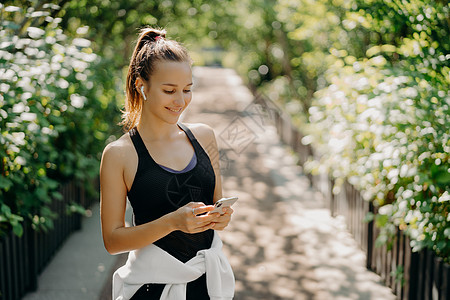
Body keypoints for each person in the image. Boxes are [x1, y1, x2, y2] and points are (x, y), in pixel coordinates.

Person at [99, 27, 235, 300]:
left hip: (208, 284)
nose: (180, 101)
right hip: (151, 289)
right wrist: (172, 223)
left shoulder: (204, 135)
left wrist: (221, 217)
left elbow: (215, 205)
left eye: (187, 90)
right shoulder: (119, 154)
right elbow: (113, 241)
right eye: (169, 90)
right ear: (142, 86)